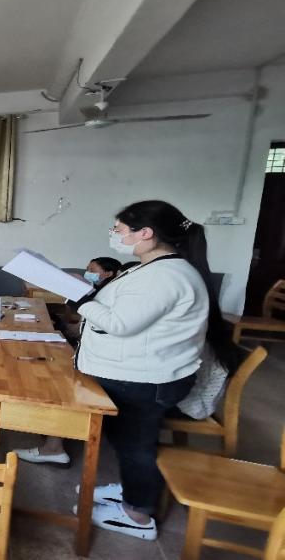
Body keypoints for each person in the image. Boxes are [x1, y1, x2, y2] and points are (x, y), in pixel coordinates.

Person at [63, 200, 237, 541]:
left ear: (145, 233)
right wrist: (89, 294)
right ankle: (133, 490)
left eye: (119, 229)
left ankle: (138, 514)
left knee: (135, 445)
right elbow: (127, 309)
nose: (114, 235)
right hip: (139, 372)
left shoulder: (165, 275)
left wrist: (82, 301)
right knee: (128, 441)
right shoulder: (153, 268)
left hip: (145, 379)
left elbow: (121, 323)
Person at [15, 255, 123, 466]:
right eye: (87, 268)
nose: (87, 273)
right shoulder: (97, 290)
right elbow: (79, 324)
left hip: (100, 359)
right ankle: (50, 428)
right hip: (91, 350)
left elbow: (88, 328)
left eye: (93, 270)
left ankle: (53, 448)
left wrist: (65, 328)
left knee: (58, 379)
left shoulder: (107, 294)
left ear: (108, 274)